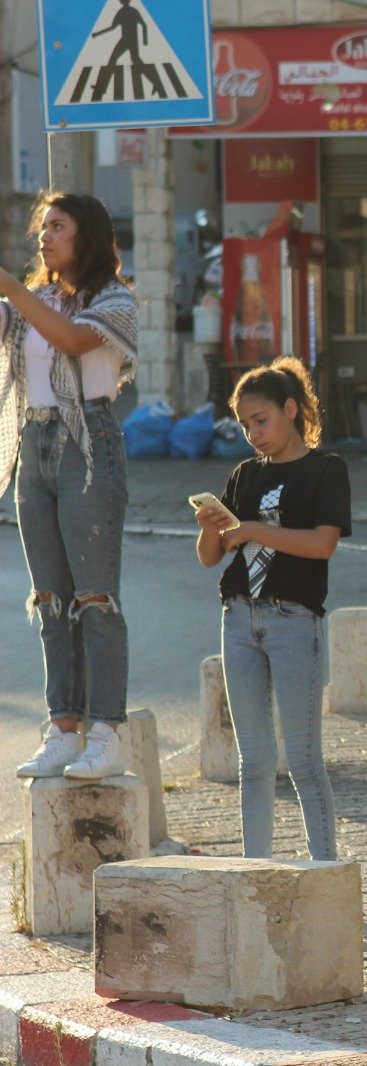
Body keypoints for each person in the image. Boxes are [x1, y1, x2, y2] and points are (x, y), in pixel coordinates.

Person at [4, 191, 138, 781]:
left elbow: (75, 341)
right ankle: (63, 728)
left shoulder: (113, 299)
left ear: (86, 235)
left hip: (88, 442)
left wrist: (13, 289)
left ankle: (107, 731)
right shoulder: (37, 301)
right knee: (50, 599)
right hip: (34, 445)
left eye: (57, 226)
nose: (44, 237)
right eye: (42, 227)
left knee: (95, 598)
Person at [194, 358, 348, 862]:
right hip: (238, 619)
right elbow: (213, 558)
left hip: (294, 621)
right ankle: (253, 867)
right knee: (254, 759)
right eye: (243, 425)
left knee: (303, 759)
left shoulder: (326, 470)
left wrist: (255, 529)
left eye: (260, 421)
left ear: (291, 410)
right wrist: (210, 527)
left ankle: (325, 867)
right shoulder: (244, 473)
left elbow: (323, 544)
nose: (252, 433)